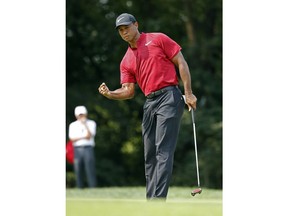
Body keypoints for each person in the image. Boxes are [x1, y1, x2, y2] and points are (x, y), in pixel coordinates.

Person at [98, 13, 197, 200]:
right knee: (150, 154)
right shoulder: (126, 60)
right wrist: (110, 94)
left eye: (126, 27)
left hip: (169, 96)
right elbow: (128, 91)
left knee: (163, 150)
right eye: (120, 30)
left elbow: (181, 62)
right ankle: (151, 201)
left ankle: (158, 201)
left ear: (136, 24)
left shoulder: (157, 39)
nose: (124, 32)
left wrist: (189, 92)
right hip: (149, 102)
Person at [68, 105, 97, 188]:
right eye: (79, 115)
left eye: (82, 114)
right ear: (76, 115)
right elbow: (72, 139)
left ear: (86, 114)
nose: (81, 116)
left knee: (90, 169)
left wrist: (85, 125)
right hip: (77, 149)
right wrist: (84, 136)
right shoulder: (72, 125)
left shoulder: (91, 123)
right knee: (78, 170)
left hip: (88, 148)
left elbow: (90, 136)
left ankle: (93, 188)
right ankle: (79, 188)